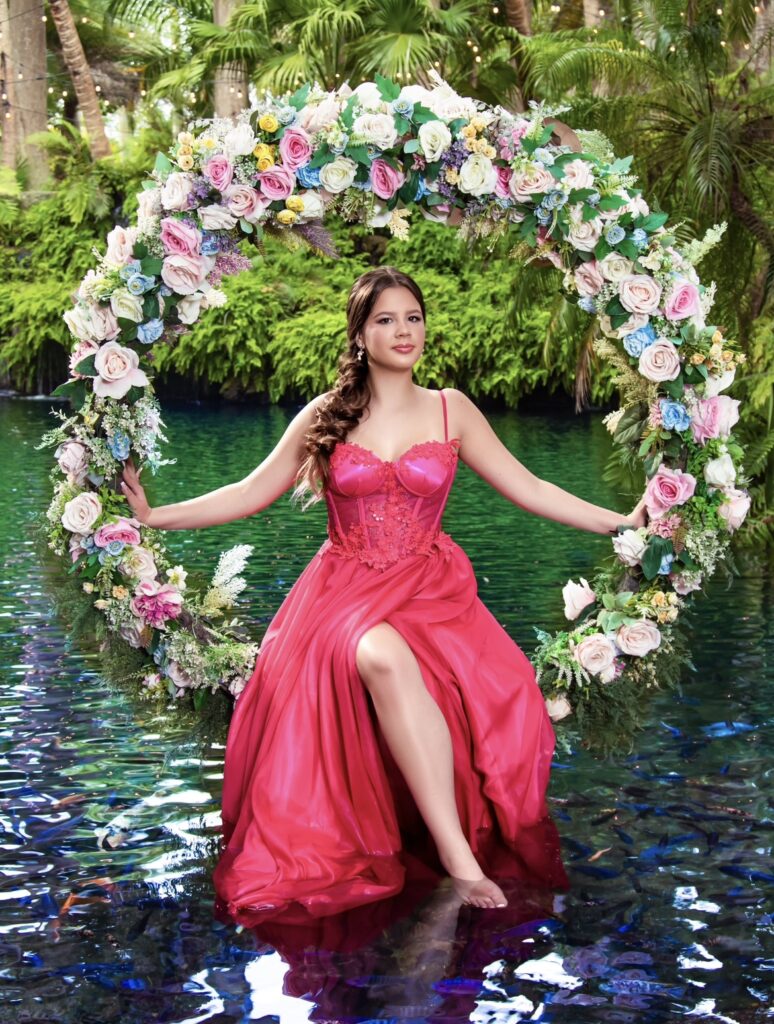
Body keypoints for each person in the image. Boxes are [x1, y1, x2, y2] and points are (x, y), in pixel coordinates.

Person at [120, 266, 648, 918]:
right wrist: (154, 517)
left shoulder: (451, 408)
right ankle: (458, 859)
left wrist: (622, 522)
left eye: (413, 317)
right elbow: (249, 493)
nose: (404, 331)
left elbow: (531, 489)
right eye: (386, 320)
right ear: (361, 335)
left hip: (429, 589)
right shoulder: (328, 414)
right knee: (380, 654)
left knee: (473, 684)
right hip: (343, 589)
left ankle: (452, 841)